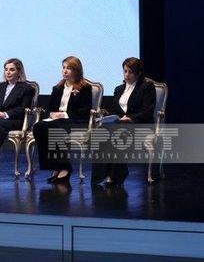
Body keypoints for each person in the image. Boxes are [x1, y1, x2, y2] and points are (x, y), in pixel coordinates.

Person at [91, 57, 156, 186]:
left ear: (138, 73)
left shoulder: (146, 87)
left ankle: (115, 175)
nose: (126, 75)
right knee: (101, 131)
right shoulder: (118, 89)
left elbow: (147, 111)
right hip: (121, 123)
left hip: (140, 124)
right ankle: (102, 175)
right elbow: (116, 110)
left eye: (130, 72)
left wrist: (130, 118)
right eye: (125, 71)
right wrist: (111, 117)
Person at [32, 56, 92, 183]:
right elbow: (49, 108)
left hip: (75, 120)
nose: (65, 71)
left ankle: (64, 167)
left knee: (54, 128)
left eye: (68, 68)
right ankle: (55, 165)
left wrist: (64, 114)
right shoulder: (58, 88)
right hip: (57, 121)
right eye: (63, 67)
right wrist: (52, 114)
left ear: (76, 70)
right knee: (38, 127)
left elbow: (85, 111)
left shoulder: (85, 88)